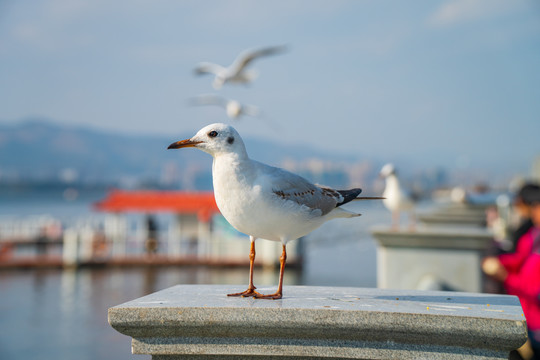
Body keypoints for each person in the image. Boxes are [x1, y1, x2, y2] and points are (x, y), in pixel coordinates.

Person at [482, 185, 540, 359]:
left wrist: (504, 275)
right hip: (524, 317)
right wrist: (498, 263)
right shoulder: (533, 233)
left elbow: (532, 289)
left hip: (534, 325)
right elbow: (521, 258)